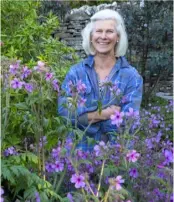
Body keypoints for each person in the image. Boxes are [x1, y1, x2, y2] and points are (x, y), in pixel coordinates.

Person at [58, 9, 143, 151]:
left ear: (118, 38)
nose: (103, 37)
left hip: (113, 157)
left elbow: (128, 123)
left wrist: (83, 117)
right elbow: (65, 114)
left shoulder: (132, 77)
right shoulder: (76, 73)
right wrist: (104, 114)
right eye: (98, 31)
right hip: (77, 156)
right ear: (91, 37)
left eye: (109, 31)